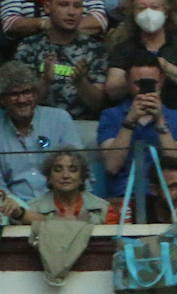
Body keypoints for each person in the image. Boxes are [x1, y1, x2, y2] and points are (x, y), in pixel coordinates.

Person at [96, 52, 177, 198]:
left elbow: (175, 165)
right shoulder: (110, 116)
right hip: (124, 198)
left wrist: (160, 120)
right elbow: (111, 166)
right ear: (127, 80)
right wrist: (129, 121)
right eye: (139, 84)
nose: (145, 89)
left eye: (151, 83)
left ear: (162, 79)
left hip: (165, 199)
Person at [13, 0, 107, 122]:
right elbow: (20, 103)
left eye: (77, 6)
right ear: (47, 7)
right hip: (38, 122)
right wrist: (45, 81)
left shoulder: (95, 49)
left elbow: (98, 105)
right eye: (63, 5)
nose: (71, 12)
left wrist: (81, 83)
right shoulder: (29, 46)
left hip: (81, 124)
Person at [104, 0, 177, 114]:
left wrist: (163, 66)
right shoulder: (124, 46)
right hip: (135, 112)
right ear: (133, 14)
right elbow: (112, 90)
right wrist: (136, 75)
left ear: (166, 11)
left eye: (155, 7)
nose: (148, 13)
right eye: (141, 8)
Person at [0, 60, 80, 201]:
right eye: (14, 94)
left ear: (36, 94)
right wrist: (22, 212)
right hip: (14, 211)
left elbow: (79, 169)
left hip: (61, 206)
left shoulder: (59, 119)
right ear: (2, 100)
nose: (22, 99)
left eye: (26, 92)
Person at [4, 147, 107, 222]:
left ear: (82, 177)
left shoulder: (102, 208)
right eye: (58, 170)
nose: (65, 175)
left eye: (73, 170)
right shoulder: (31, 209)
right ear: (49, 177)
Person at [1, 0, 105, 42]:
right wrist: (47, 24)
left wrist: (65, 29)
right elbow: (10, 23)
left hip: (82, 49)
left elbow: (99, 19)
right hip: (31, 50)